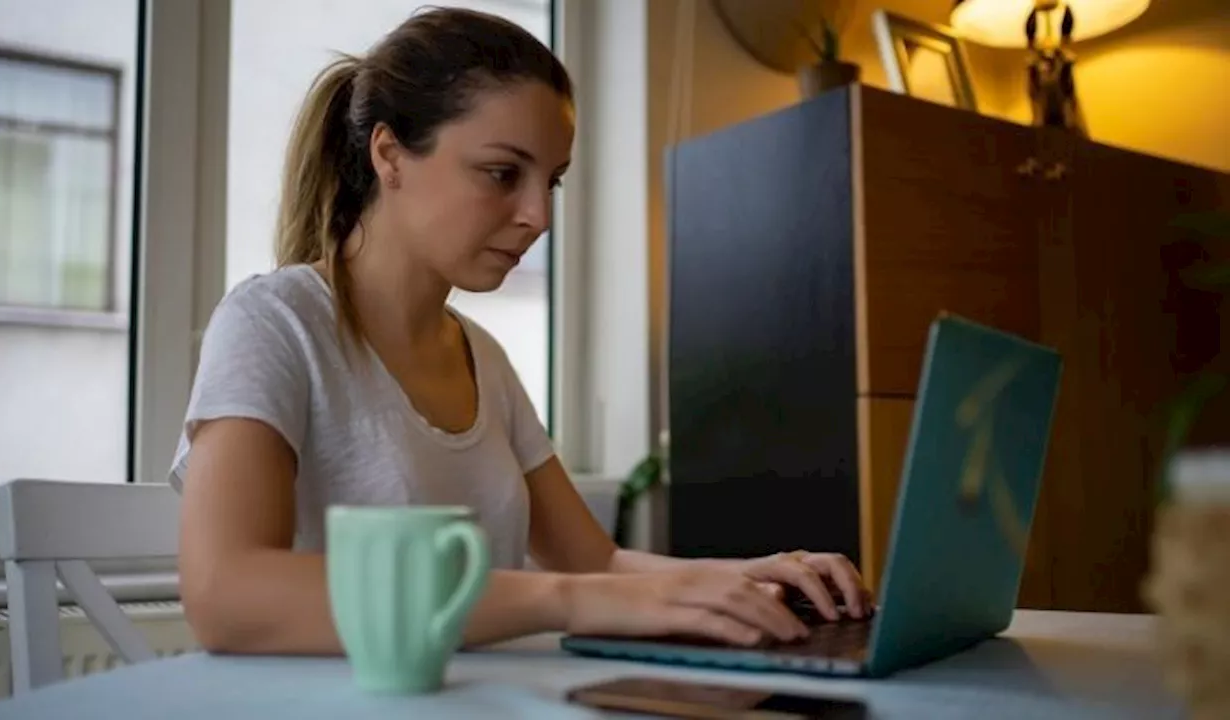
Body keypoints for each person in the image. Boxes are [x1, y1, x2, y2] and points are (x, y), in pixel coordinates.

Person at [171, 6, 870, 656]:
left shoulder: (483, 357)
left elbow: (594, 561)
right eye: (502, 173)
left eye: (552, 182)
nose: (538, 216)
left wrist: (748, 575)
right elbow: (225, 595)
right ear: (389, 155)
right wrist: (568, 601)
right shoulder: (274, 324)